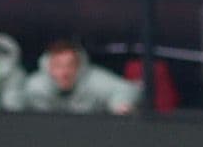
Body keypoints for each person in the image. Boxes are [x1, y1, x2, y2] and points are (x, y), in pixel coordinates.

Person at [10, 41, 140, 114]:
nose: (64, 72)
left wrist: (119, 104)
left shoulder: (94, 80)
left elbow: (129, 89)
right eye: (58, 66)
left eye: (70, 65)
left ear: (79, 67)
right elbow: (12, 108)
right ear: (48, 68)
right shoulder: (34, 86)